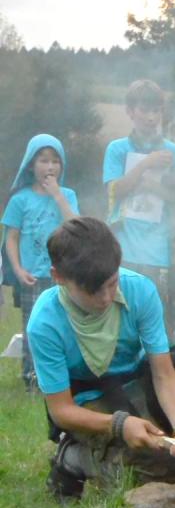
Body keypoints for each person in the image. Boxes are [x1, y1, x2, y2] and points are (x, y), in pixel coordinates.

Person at [27, 217, 175, 500]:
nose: (106, 297)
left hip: (138, 382)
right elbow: (61, 410)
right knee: (155, 474)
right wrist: (119, 424)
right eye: (93, 291)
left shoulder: (139, 290)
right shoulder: (45, 322)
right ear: (58, 277)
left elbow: (163, 373)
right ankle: (74, 457)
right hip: (90, 402)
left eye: (111, 283)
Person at [103, 79, 175, 342]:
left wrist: (157, 188)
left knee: (158, 324)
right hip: (123, 249)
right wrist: (147, 164)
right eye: (144, 110)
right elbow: (114, 190)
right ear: (130, 111)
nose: (151, 117)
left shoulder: (174, 153)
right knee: (123, 323)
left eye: (156, 110)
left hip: (161, 252)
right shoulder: (117, 149)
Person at [1, 134, 80, 390]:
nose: (50, 167)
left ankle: (63, 376)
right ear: (31, 165)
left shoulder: (67, 195)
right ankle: (32, 377)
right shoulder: (20, 199)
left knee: (64, 324)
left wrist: (57, 195)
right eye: (44, 160)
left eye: (56, 161)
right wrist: (17, 269)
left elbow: (76, 226)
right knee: (33, 327)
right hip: (32, 276)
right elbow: (11, 237)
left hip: (62, 275)